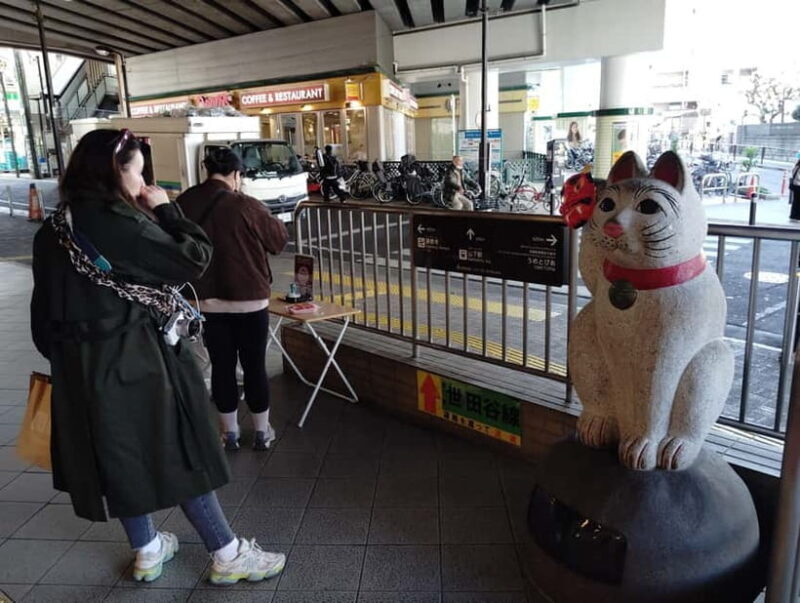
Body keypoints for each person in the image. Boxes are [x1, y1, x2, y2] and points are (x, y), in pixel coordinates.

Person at [30, 129, 285, 586]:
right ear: (117, 172)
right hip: (135, 361)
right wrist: (164, 207)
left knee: (118, 457)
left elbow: (41, 321)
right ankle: (227, 554)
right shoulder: (119, 221)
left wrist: (74, 361)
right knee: (181, 449)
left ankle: (147, 549)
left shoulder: (54, 229)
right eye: (137, 173)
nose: (141, 183)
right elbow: (194, 257)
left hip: (78, 368)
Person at [176, 148, 289, 452]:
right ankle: (263, 432)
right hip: (249, 301)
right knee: (254, 367)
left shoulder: (185, 202)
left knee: (222, 367)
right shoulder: (247, 205)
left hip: (206, 304)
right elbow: (278, 240)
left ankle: (230, 434)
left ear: (207, 171)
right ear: (237, 175)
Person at [790, 153, 800, 222]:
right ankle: (797, 216)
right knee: (798, 202)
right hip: (799, 185)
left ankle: (793, 215)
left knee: (795, 201)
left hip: (795, 185)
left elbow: (793, 173)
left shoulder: (796, 166)